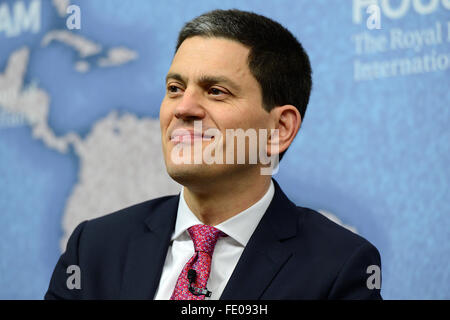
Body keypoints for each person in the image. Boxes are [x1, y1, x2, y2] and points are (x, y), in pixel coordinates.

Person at [45, 9, 382, 300]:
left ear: (279, 129)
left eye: (216, 92)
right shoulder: (93, 251)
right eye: (175, 89)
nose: (183, 108)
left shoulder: (338, 268)